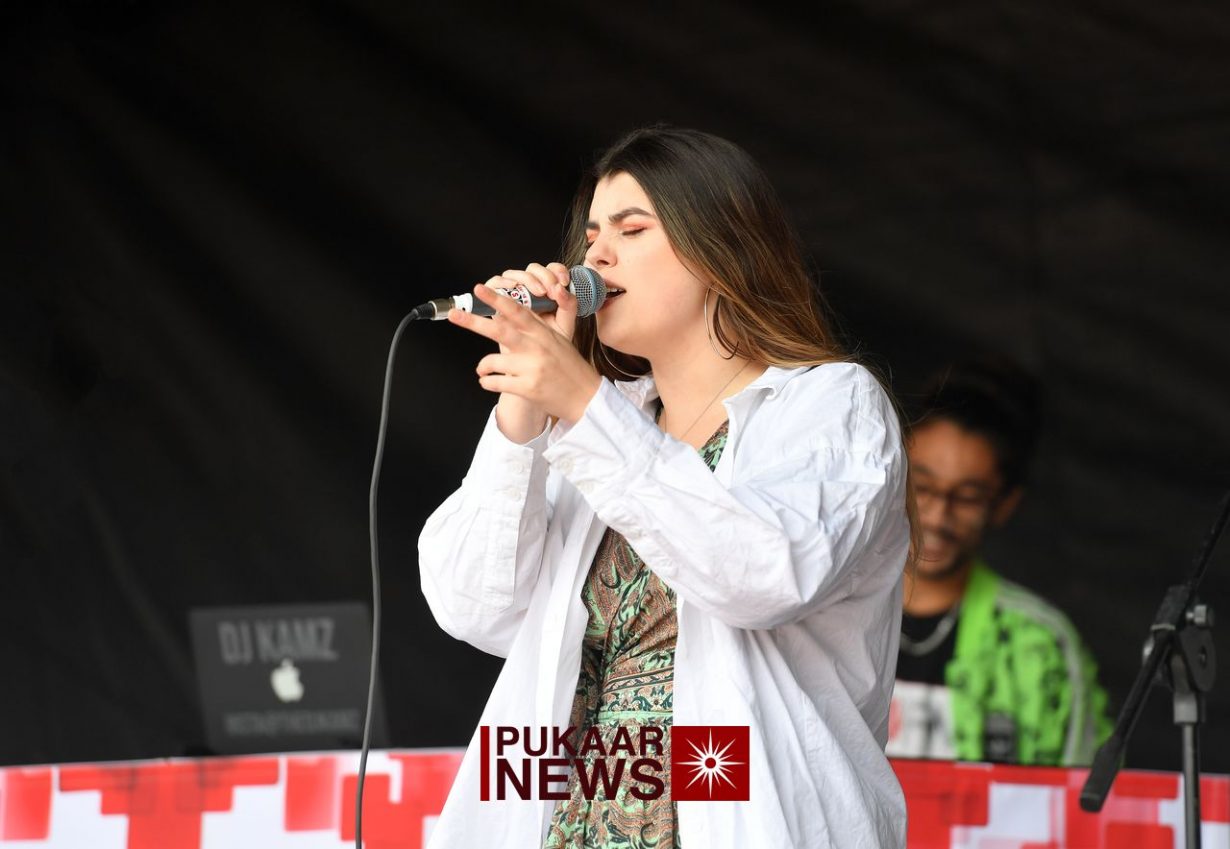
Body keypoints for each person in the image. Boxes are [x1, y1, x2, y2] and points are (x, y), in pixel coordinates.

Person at [418, 125, 915, 848]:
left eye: (632, 229)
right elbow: (474, 608)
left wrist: (585, 404)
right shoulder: (600, 427)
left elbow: (766, 576)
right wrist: (522, 417)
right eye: (591, 235)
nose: (595, 256)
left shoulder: (829, 403)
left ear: (720, 248)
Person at [886, 358, 1112, 766]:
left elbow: (1084, 794)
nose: (937, 515)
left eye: (968, 497)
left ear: (1004, 504)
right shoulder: (827, 610)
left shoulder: (1040, 643)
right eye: (923, 486)